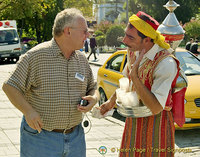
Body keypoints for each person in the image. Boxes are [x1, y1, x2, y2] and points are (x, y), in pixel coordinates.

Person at [2, 8, 98, 157]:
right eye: (84, 31)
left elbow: (93, 87)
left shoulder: (81, 59)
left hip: (76, 138)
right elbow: (9, 86)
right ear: (68, 31)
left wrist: (94, 98)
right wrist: (28, 111)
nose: (88, 35)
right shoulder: (35, 56)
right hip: (40, 139)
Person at [100, 11, 181, 157]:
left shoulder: (165, 62)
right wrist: (109, 104)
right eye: (125, 34)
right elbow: (125, 82)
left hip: (157, 124)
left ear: (147, 40)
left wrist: (135, 77)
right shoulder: (133, 51)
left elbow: (156, 107)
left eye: (130, 37)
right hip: (134, 121)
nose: (124, 40)